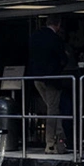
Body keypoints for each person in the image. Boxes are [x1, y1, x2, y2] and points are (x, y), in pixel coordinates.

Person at [29, 15, 68, 154]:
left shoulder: (34, 37)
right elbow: (63, 59)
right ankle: (50, 144)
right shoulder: (56, 39)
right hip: (52, 79)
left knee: (53, 109)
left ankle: (60, 141)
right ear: (58, 24)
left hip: (37, 78)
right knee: (52, 110)